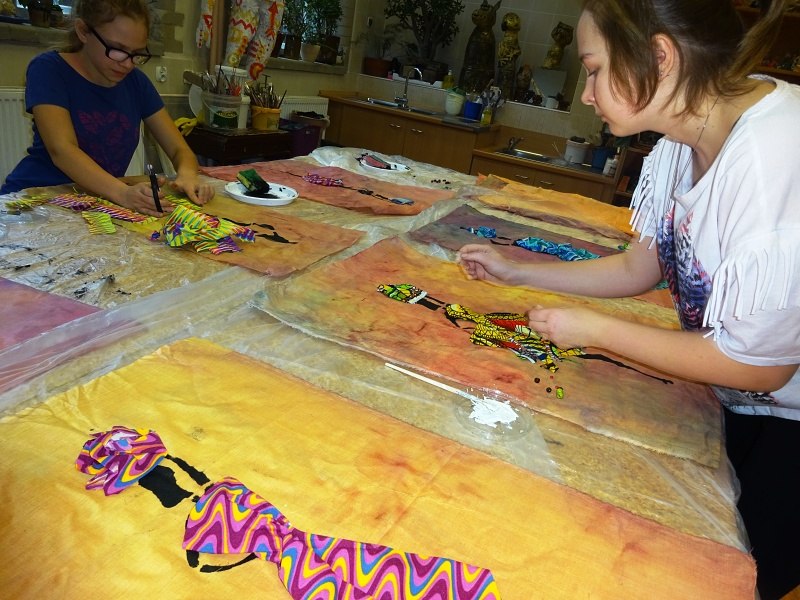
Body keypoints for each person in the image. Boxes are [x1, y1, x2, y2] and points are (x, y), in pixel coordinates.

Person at [458, 1, 800, 598]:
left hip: (789, 423)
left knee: (733, 576)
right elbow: (641, 265)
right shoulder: (684, 133)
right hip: (739, 400)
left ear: (660, 57)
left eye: (593, 70)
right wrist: (518, 273)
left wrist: (596, 330)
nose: (587, 94)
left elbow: (763, 366)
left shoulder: (774, 161)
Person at [0, 0, 214, 216]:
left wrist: (187, 174)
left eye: (137, 53)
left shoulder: (136, 83)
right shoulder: (49, 69)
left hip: (93, 205)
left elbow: (179, 150)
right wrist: (123, 193)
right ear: (83, 31)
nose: (128, 64)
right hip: (33, 200)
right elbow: (62, 150)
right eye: (117, 50)